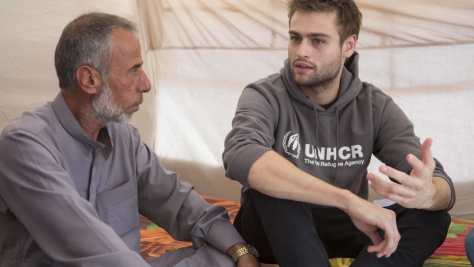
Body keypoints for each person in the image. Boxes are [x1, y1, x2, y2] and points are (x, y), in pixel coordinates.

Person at [0, 12, 260, 267]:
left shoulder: (124, 138)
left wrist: (239, 250)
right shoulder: (24, 144)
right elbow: (87, 246)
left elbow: (177, 202)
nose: (146, 84)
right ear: (89, 79)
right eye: (134, 71)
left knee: (222, 256)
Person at [222, 0, 456, 266]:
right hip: (277, 230)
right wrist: (347, 200)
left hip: (349, 227)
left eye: (318, 41)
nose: (302, 51)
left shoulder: (374, 105)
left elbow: (438, 180)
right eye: (295, 38)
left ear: (349, 45)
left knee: (433, 215)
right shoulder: (264, 94)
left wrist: (430, 194)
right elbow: (240, 153)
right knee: (272, 189)